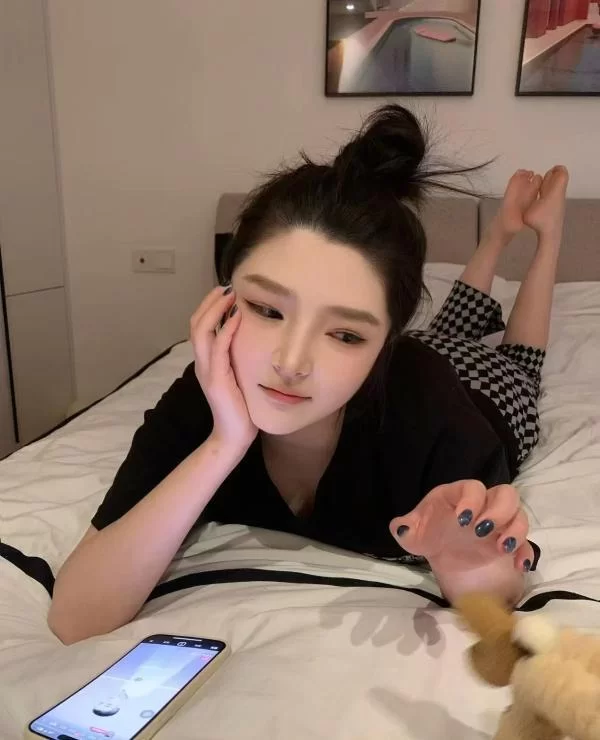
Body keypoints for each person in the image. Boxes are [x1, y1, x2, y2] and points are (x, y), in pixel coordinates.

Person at [47, 106, 568, 645]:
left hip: (480, 389)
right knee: (452, 324)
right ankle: (496, 237)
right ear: (223, 294)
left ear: (384, 344)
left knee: (517, 360)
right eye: (267, 310)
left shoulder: (430, 419)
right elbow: (75, 618)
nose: (291, 363)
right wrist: (225, 444)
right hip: (399, 363)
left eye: (345, 334)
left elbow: (495, 590)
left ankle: (544, 235)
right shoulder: (204, 393)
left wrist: (461, 559)